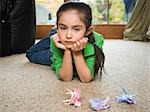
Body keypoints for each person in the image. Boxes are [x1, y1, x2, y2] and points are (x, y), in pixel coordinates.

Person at [26, 2, 105, 83]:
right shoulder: (56, 41)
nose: (68, 35)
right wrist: (66, 50)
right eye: (63, 28)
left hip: (64, 40)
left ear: (88, 31)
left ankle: (58, 30)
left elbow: (86, 79)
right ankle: (54, 32)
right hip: (59, 40)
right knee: (31, 53)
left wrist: (77, 52)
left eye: (76, 29)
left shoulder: (96, 40)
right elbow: (66, 78)